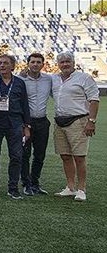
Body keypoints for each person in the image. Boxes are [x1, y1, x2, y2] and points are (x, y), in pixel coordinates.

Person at [0, 54, 30, 199]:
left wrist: (26, 126)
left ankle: (13, 187)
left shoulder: (20, 83)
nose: (2, 65)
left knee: (16, 155)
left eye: (5, 63)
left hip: (15, 122)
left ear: (13, 66)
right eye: (0, 63)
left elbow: (25, 105)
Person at [51, 52, 99, 202]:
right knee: (65, 156)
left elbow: (94, 100)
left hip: (78, 121)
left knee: (79, 157)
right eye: (62, 62)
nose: (65, 64)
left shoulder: (84, 78)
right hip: (59, 122)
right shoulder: (54, 79)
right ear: (58, 64)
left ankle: (81, 189)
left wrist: (91, 121)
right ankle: (70, 187)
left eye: (67, 61)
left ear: (73, 62)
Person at [20, 52, 53, 196]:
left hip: (42, 121)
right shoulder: (20, 80)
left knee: (40, 155)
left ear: (43, 64)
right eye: (33, 62)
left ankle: (35, 183)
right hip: (26, 122)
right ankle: (26, 184)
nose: (35, 64)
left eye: (38, 62)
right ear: (28, 63)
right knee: (25, 154)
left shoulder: (48, 79)